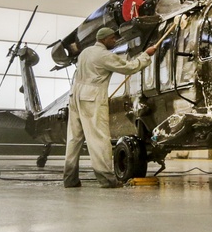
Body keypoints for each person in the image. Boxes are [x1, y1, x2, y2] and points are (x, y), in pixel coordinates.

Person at [64, 26, 156, 188]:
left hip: (75, 96)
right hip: (92, 97)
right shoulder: (104, 55)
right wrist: (145, 55)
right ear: (104, 39)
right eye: (112, 38)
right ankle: (106, 179)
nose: (115, 41)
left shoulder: (85, 52)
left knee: (74, 138)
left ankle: (70, 179)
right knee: (99, 138)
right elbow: (130, 67)